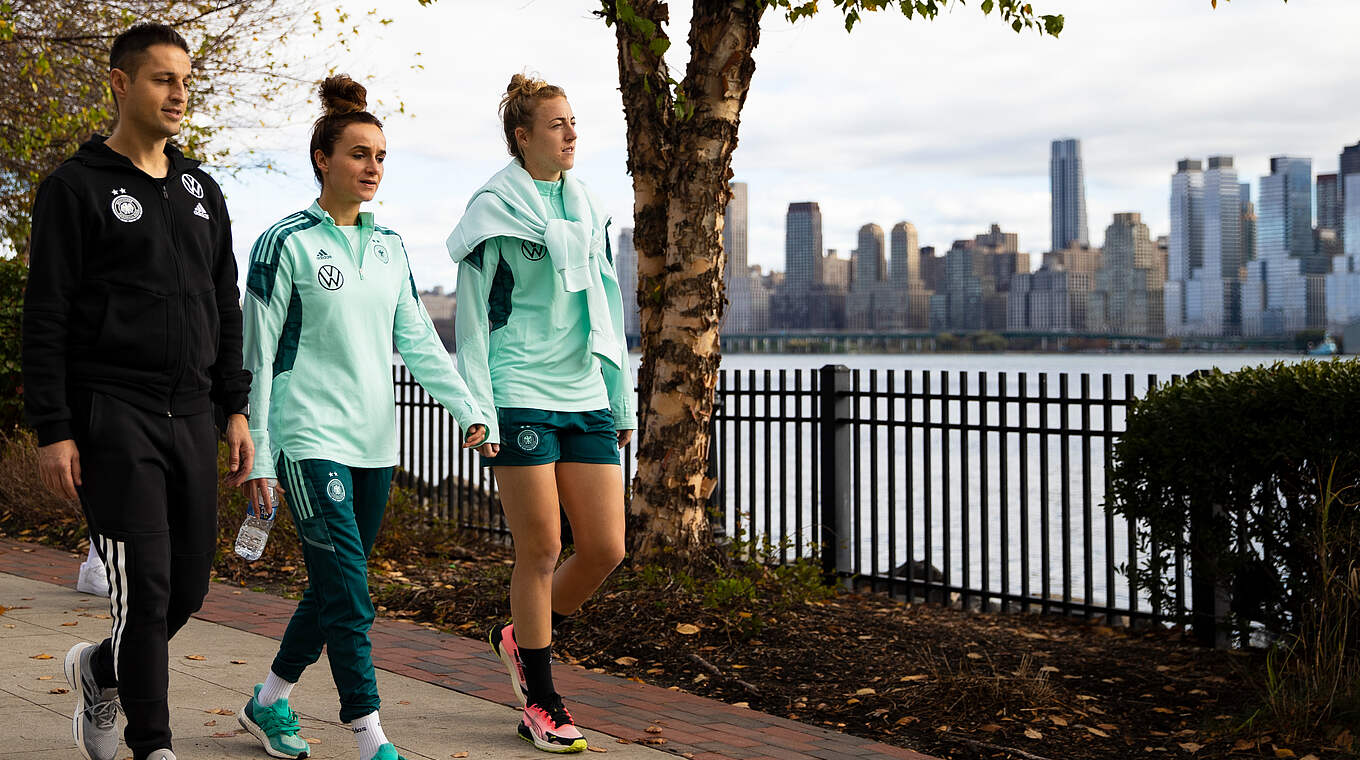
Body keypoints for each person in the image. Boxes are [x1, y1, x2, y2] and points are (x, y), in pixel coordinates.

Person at [237, 75, 488, 760]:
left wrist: (468, 406)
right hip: (307, 437)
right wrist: (260, 454)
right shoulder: (282, 244)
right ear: (323, 157)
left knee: (332, 586)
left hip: (376, 444)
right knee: (351, 594)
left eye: (380, 156)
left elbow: (419, 342)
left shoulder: (391, 247)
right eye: (358, 154)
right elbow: (256, 360)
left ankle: (266, 702)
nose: (372, 168)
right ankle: (370, 736)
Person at [21, 22, 254, 760]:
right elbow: (47, 314)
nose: (179, 93)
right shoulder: (74, 188)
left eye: (185, 80)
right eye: (163, 79)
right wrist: (54, 428)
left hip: (191, 416)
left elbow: (226, 305)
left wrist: (236, 407)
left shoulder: (199, 190)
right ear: (121, 83)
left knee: (187, 589)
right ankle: (152, 744)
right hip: (112, 414)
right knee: (146, 592)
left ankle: (99, 668)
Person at [447, 73, 636, 754]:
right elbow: (473, 321)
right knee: (543, 549)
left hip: (585, 389)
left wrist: (620, 395)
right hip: (519, 386)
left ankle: (522, 641)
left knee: (607, 547)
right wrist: (478, 408)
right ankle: (543, 700)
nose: (571, 133)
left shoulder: (587, 206)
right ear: (522, 136)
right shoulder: (493, 211)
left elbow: (608, 305)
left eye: (574, 122)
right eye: (556, 124)